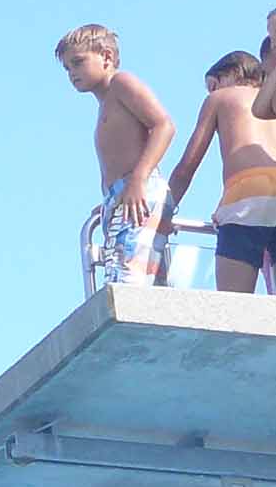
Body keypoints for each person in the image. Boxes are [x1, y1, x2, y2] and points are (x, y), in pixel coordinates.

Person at [56, 24, 176, 286]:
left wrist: (138, 180)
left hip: (139, 190)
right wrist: (110, 199)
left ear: (107, 56)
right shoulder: (104, 104)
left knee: (127, 279)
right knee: (129, 275)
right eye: (67, 68)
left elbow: (164, 125)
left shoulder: (121, 84)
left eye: (78, 62)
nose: (72, 73)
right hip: (121, 196)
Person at [167, 51, 276, 293]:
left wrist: (163, 212)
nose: (210, 92)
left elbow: (186, 168)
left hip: (245, 196)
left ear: (233, 73)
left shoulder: (220, 99)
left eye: (212, 85)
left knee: (232, 305)